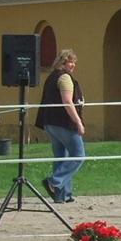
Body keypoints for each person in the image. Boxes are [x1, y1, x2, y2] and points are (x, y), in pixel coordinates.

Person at [34, 49, 85, 203]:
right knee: (78, 155)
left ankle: (62, 194)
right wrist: (78, 122)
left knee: (60, 157)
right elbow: (67, 102)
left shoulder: (51, 77)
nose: (73, 65)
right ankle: (54, 182)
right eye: (71, 62)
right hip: (63, 123)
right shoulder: (64, 78)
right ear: (63, 62)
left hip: (49, 122)